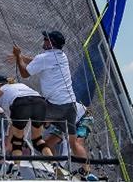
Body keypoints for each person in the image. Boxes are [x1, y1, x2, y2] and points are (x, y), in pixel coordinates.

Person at [11, 30, 89, 172]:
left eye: (46, 39)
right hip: (71, 106)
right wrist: (21, 57)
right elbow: (38, 61)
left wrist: (18, 57)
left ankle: (16, 153)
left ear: (50, 43)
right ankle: (87, 171)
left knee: (25, 114)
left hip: (55, 106)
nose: (44, 41)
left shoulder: (44, 58)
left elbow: (24, 73)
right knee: (74, 144)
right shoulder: (62, 56)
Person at [0, 75, 53, 158]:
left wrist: (8, 141)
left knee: (17, 142)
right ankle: (54, 162)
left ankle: (16, 166)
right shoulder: (21, 85)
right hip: (40, 102)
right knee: (37, 140)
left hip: (20, 103)